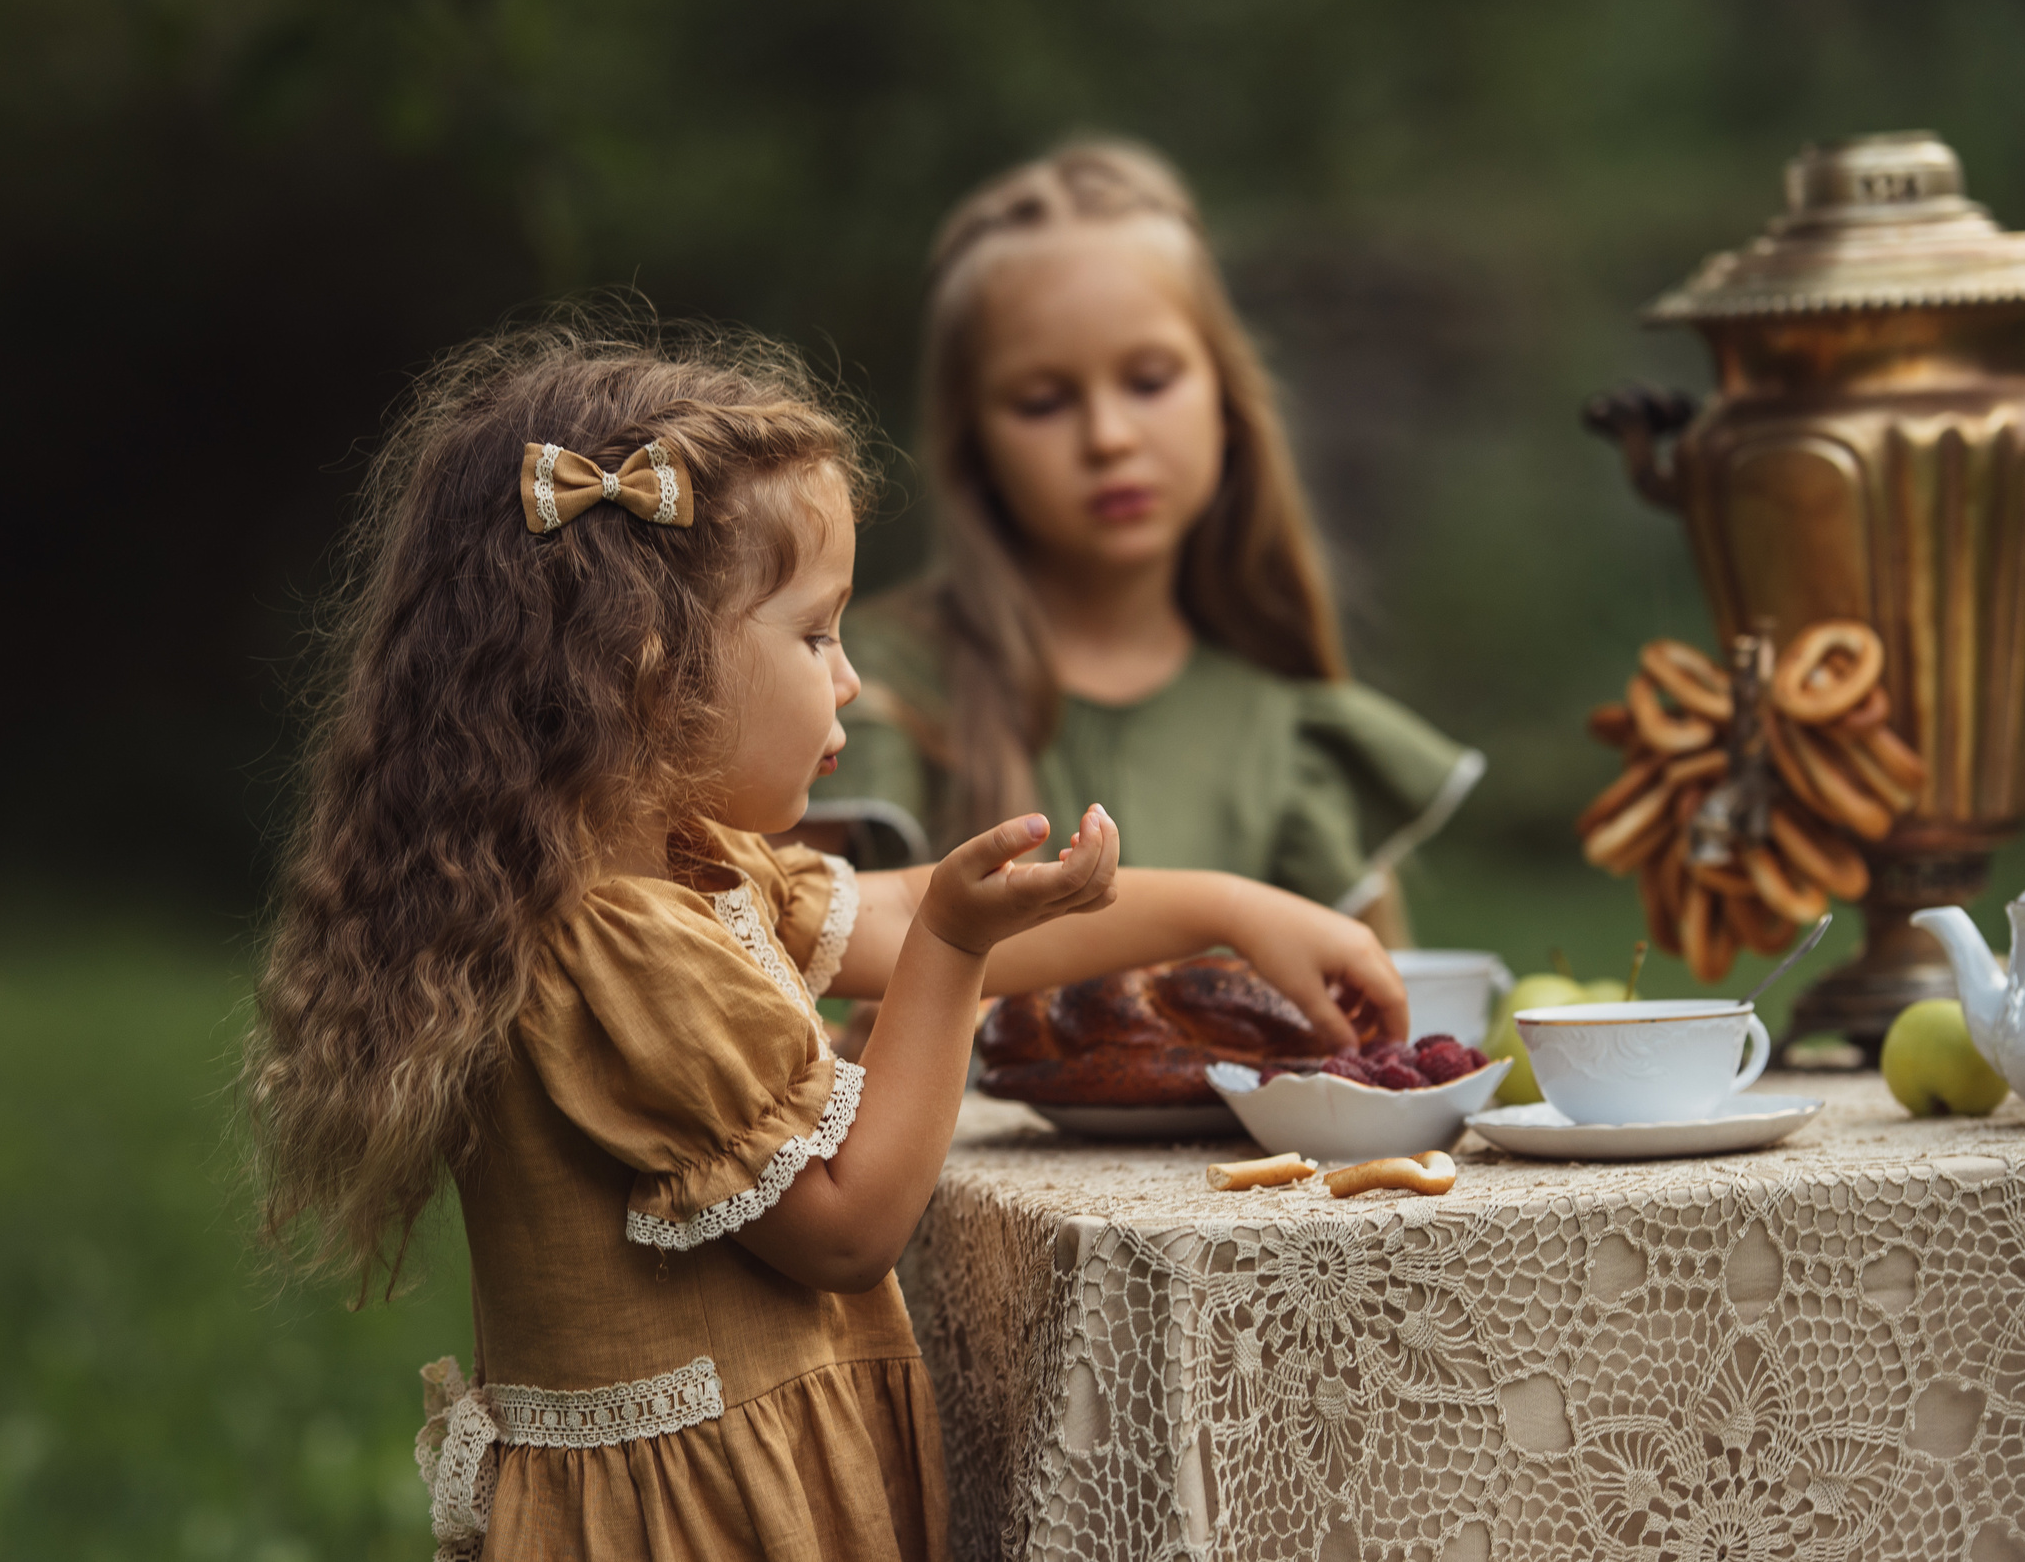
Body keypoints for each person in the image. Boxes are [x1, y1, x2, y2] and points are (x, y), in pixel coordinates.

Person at [247, 312, 1405, 1562]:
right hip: (695, 1524)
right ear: (646, 667)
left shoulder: (676, 872)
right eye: (814, 632)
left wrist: (1231, 906)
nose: (848, 678)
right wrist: (954, 956)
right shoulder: (620, 939)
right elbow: (849, 1224)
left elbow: (901, 912)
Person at [803, 140, 1480, 941]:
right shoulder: (861, 691)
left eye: (1150, 381)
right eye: (1045, 400)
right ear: (973, 441)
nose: (1109, 436)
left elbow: (1376, 1037)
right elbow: (764, 993)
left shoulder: (1289, 741)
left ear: (1225, 398)